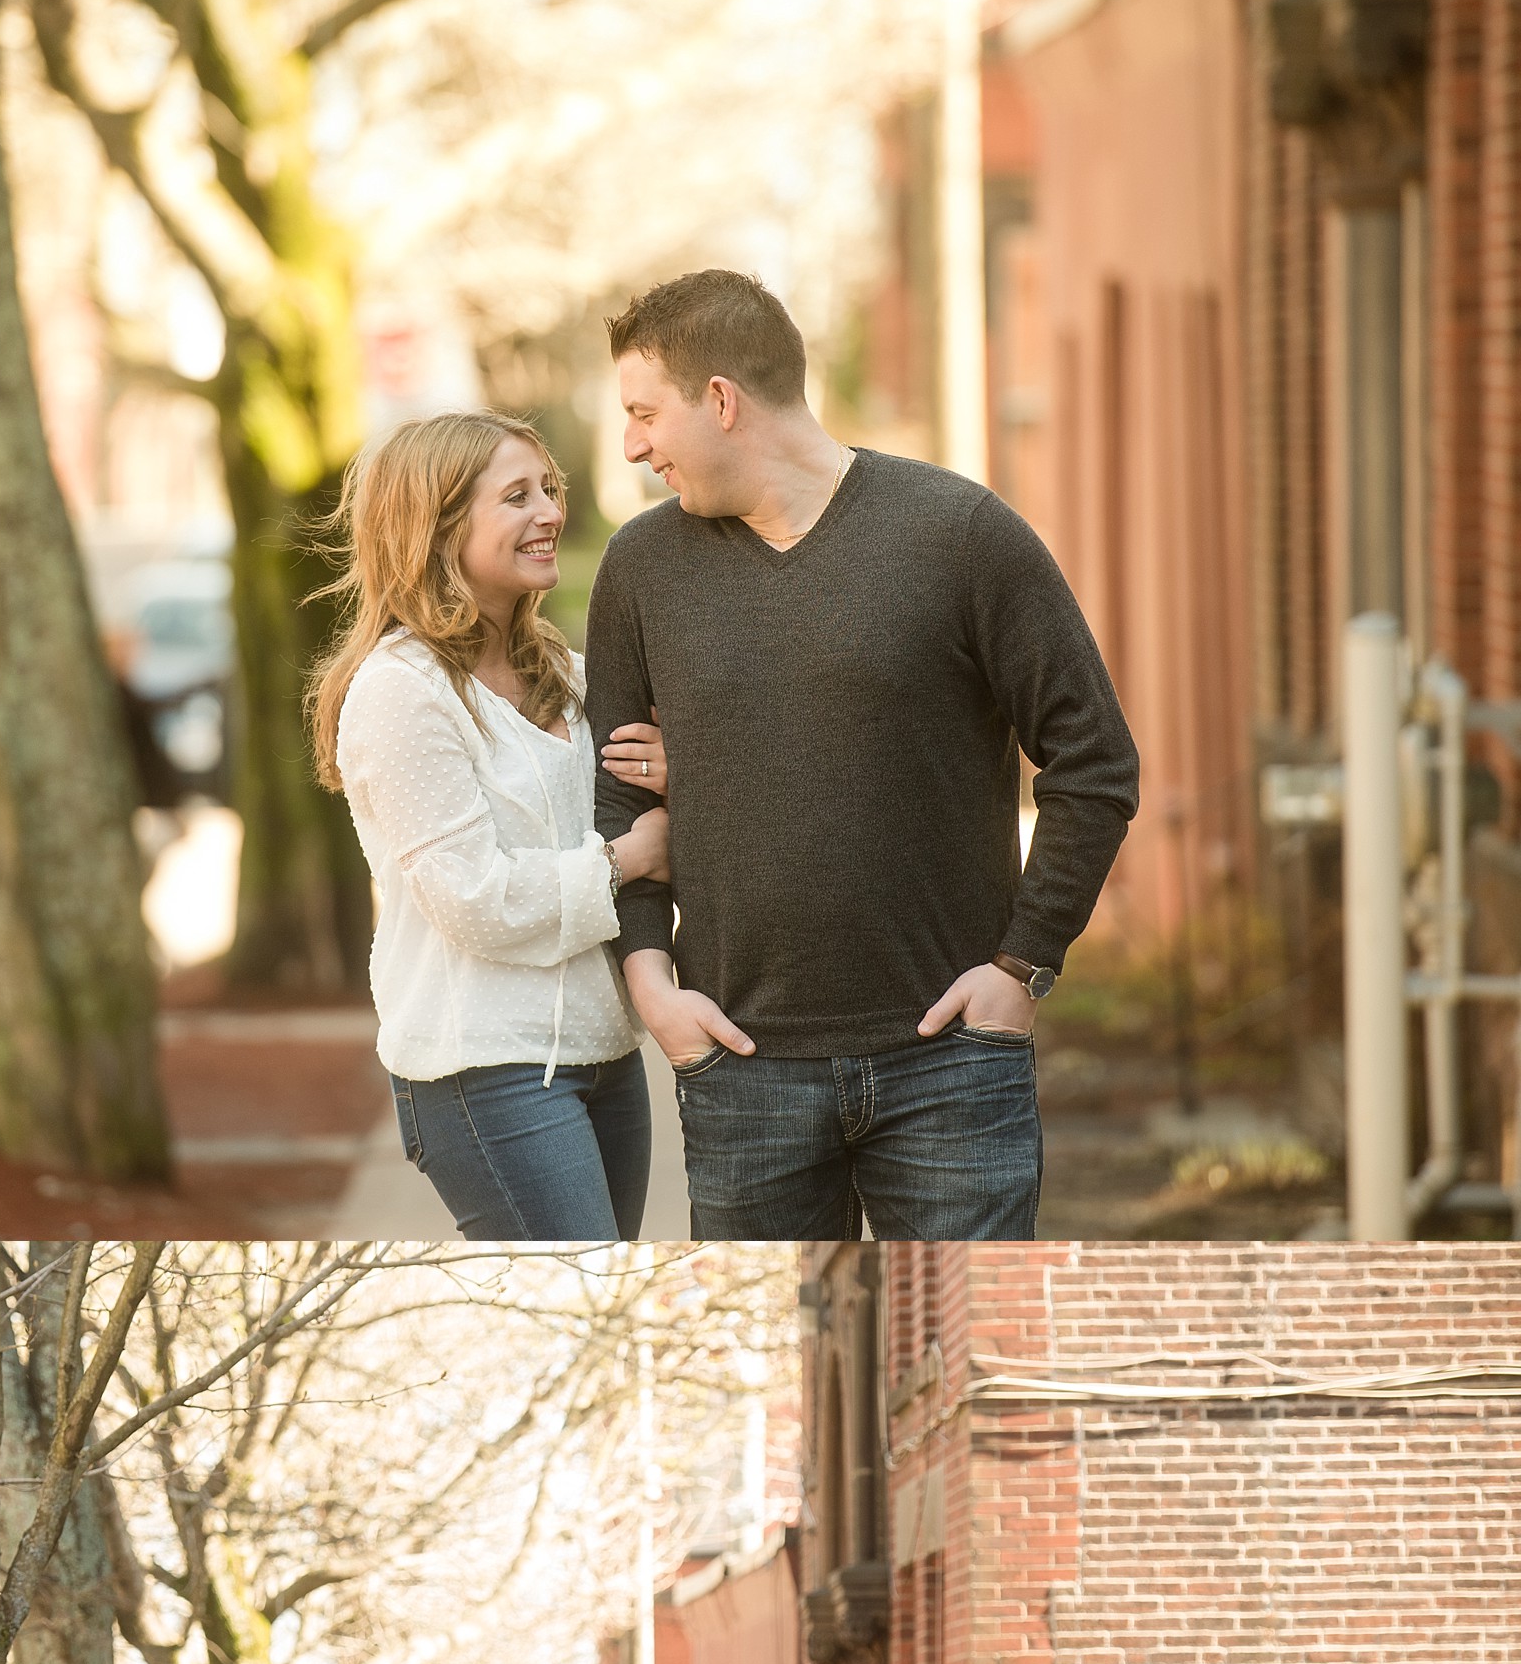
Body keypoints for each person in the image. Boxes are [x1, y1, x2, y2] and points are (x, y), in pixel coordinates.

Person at [587, 267, 1141, 1241]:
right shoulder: (641, 568)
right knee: (773, 1372)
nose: (632, 445)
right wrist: (646, 978)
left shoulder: (959, 536)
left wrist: (1022, 967)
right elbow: (616, 798)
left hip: (949, 1068)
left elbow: (1092, 763)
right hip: (737, 1069)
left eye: (643, 413)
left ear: (720, 401)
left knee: (970, 1350)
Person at [308, 411, 674, 1242]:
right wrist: (627, 861)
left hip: (603, 1053)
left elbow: (644, 798)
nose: (549, 511)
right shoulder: (403, 691)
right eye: (517, 496)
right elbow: (475, 900)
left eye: (549, 489)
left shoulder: (570, 677)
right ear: (436, 530)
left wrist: (673, 779)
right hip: (482, 1069)